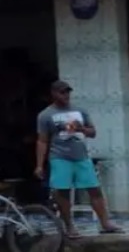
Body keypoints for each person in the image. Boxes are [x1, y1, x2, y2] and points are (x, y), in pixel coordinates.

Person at [34, 80, 123, 237]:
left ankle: (105, 223)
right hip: (59, 157)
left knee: (94, 189)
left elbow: (93, 132)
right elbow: (42, 140)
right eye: (62, 92)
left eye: (68, 92)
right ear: (53, 94)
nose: (66, 95)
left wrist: (81, 128)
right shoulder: (45, 115)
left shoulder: (80, 111)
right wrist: (39, 165)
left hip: (81, 157)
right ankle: (69, 226)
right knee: (62, 192)